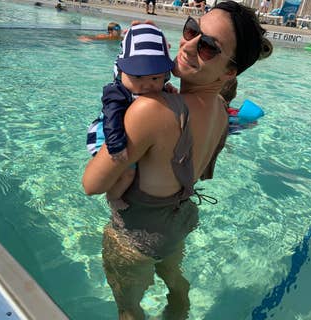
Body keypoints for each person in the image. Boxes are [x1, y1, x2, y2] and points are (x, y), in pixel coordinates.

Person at [82, 2, 272, 319]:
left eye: (209, 47)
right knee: (176, 286)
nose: (189, 45)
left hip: (136, 236)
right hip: (177, 222)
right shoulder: (220, 112)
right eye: (192, 29)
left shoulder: (153, 110)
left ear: (229, 71)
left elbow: (91, 184)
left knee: (128, 309)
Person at [86, 23, 175, 212]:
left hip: (127, 133)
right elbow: (111, 118)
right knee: (127, 173)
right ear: (121, 71)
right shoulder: (116, 92)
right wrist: (116, 147)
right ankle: (113, 198)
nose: (146, 85)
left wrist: (167, 91)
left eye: (155, 78)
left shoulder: (154, 89)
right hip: (108, 134)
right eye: (137, 77)